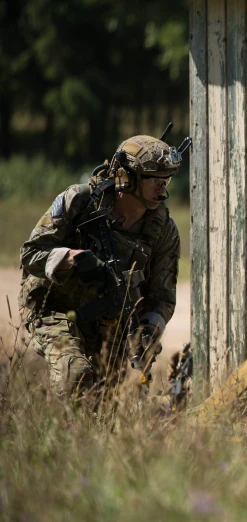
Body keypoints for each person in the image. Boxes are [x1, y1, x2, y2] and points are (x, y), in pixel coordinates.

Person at [19, 134, 184, 397]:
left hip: (111, 325)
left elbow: (162, 297)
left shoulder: (163, 231)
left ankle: (75, 436)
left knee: (102, 401)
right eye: (154, 180)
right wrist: (71, 258)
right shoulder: (80, 201)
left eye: (166, 180)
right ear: (127, 178)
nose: (162, 188)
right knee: (74, 374)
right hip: (55, 308)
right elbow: (30, 254)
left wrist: (149, 332)